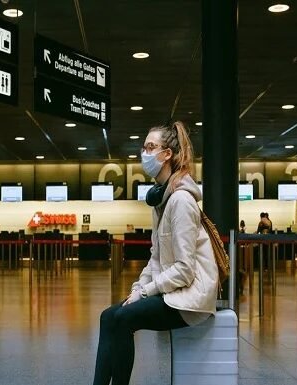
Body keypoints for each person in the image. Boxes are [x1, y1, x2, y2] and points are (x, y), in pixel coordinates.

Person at [92, 121, 219, 385]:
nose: (145, 153)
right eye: (144, 147)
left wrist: (146, 292)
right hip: (172, 292)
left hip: (189, 300)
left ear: (167, 154)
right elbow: (156, 257)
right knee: (108, 316)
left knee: (124, 319)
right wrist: (138, 288)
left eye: (151, 147)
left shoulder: (181, 201)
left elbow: (185, 269)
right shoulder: (162, 202)